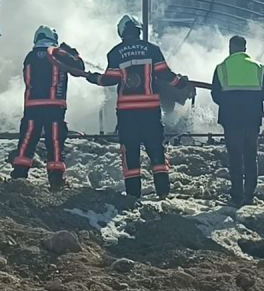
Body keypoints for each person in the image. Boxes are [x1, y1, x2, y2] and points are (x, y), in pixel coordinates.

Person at [85, 15, 191, 199]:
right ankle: (163, 190)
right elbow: (165, 74)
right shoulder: (152, 50)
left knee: (130, 151)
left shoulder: (115, 53)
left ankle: (133, 195)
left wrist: (94, 78)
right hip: (150, 111)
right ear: (138, 30)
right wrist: (180, 83)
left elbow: (109, 79)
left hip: (127, 113)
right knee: (156, 148)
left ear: (122, 32)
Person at [11, 26, 85, 189]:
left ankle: (18, 178)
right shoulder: (58, 54)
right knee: (55, 144)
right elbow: (79, 67)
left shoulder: (30, 57)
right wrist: (71, 51)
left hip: (32, 107)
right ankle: (56, 181)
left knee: (26, 143)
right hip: (54, 108)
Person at [210, 35, 264, 206]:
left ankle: (237, 194)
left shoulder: (222, 67)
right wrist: (253, 100)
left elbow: (215, 94)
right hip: (252, 118)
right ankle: (249, 193)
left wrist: (229, 103)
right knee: (250, 155)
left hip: (231, 119)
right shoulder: (258, 67)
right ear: (245, 48)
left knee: (235, 156)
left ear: (230, 48)